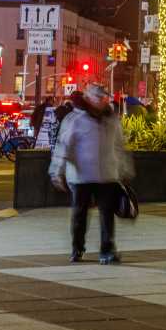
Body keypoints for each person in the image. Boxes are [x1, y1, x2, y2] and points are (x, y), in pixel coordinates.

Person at [48, 85, 133, 264]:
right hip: (81, 176)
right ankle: (77, 248)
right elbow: (63, 146)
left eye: (104, 98)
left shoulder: (111, 120)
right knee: (80, 214)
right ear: (89, 99)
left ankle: (107, 251)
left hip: (107, 175)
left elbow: (119, 146)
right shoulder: (76, 119)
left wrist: (124, 168)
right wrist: (57, 170)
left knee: (107, 214)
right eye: (98, 98)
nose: (102, 102)